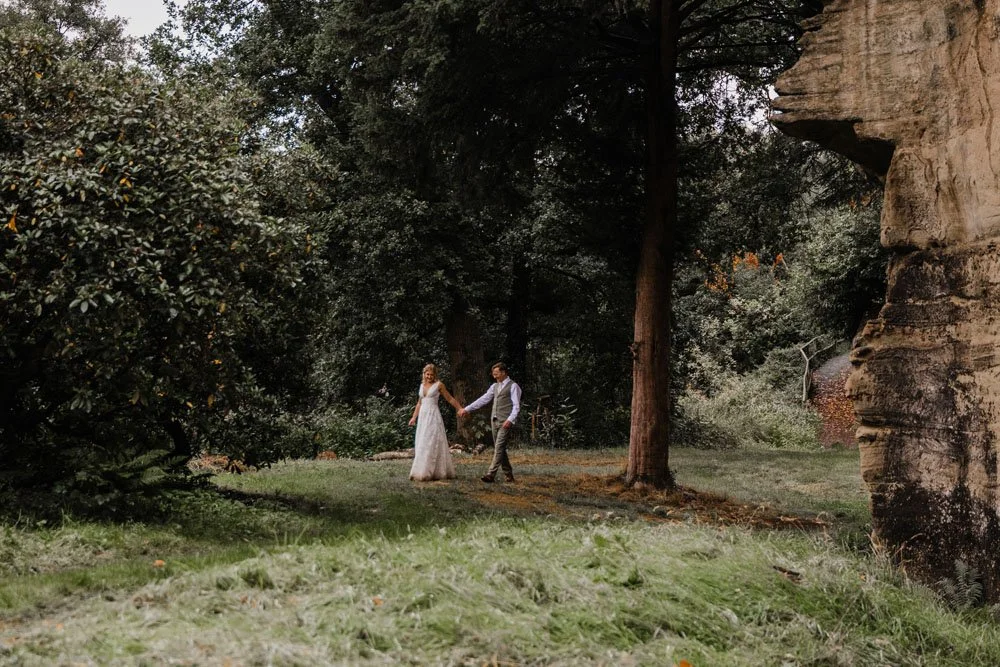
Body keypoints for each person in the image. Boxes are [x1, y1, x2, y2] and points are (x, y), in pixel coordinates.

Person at [458, 362, 521, 483]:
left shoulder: (513, 386)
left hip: (505, 421)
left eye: (496, 374)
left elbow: (516, 406)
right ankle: (509, 475)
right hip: (494, 420)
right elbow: (483, 399)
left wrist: (510, 419)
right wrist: (467, 409)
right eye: (493, 374)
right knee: (500, 448)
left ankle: (490, 474)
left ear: (503, 372)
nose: (494, 376)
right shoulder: (494, 387)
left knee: (498, 447)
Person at [408, 363, 462, 481]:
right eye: (427, 374)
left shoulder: (439, 385)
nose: (429, 377)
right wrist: (413, 417)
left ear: (435, 375)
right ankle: (420, 470)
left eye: (431, 375)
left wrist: (459, 408)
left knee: (431, 440)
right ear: (424, 374)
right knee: (422, 441)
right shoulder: (422, 385)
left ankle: (433, 471)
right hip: (423, 416)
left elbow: (449, 398)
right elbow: (419, 403)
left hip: (433, 416)